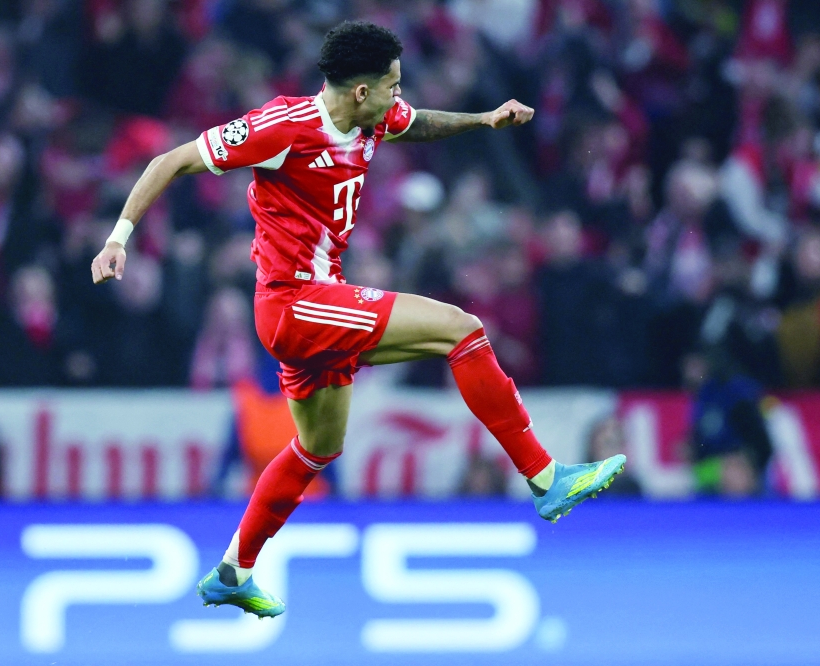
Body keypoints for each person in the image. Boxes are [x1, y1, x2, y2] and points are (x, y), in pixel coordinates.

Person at [89, 21, 625, 618]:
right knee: (461, 328)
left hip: (318, 302)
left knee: (319, 447)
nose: (401, 96)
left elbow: (416, 123)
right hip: (293, 303)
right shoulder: (283, 127)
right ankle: (546, 479)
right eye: (393, 86)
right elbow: (170, 160)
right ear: (361, 92)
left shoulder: (373, 114)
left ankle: (233, 569)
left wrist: (481, 120)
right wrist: (119, 239)